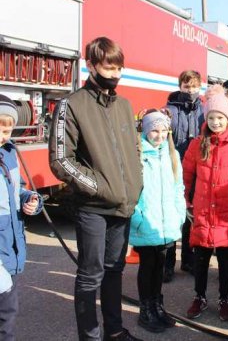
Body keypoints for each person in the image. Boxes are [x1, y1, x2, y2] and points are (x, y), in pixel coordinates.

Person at [49, 36, 143, 341]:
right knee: (90, 276)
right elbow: (61, 160)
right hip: (92, 208)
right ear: (91, 65)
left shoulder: (126, 106)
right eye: (109, 67)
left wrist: (135, 184)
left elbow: (135, 151)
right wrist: (99, 186)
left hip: (123, 207)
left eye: (119, 68)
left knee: (115, 271)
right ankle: (90, 336)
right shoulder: (71, 105)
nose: (115, 74)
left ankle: (114, 331)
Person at [183, 89, 228, 321]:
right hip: (203, 212)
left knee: (226, 261)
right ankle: (200, 297)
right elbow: (186, 174)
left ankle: (223, 299)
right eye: (211, 117)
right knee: (201, 259)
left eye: (220, 118)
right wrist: (185, 199)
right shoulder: (197, 144)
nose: (215, 122)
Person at [129, 109, 187, 333]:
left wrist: (179, 213)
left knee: (160, 266)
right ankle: (146, 310)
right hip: (147, 221)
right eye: (154, 130)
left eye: (164, 130)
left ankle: (157, 305)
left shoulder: (172, 154)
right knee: (147, 266)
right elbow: (131, 191)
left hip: (167, 222)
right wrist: (137, 218)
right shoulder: (137, 155)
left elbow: (178, 187)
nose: (159, 135)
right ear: (145, 129)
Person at [0, 95, 43, 341]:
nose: (4, 136)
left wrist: (30, 201)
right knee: (5, 312)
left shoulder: (8, 153)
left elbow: (19, 189)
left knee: (7, 312)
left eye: (7, 130)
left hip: (10, 246)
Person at [164, 70, 203, 282]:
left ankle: (188, 260)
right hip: (173, 170)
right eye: (187, 87)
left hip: (196, 170)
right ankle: (167, 264)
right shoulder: (169, 110)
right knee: (171, 218)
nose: (191, 91)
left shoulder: (204, 110)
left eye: (194, 86)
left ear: (200, 86)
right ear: (180, 86)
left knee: (190, 217)